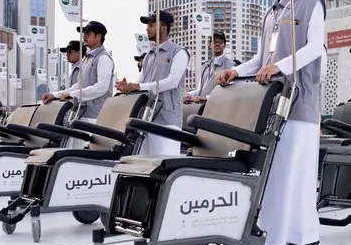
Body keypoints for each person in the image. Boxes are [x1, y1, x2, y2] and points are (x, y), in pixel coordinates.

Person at [218, 0, 323, 245]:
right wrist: (235, 71)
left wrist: (281, 66)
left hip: (300, 100)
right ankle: (276, 234)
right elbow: (263, 58)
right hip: (274, 105)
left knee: (299, 171)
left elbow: (316, 47)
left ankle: (306, 237)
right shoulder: (272, 12)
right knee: (278, 170)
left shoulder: (311, 4)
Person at [117, 10, 189, 156]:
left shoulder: (179, 52)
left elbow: (173, 81)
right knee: (143, 167)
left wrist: (140, 86)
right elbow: (141, 82)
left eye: (151, 24)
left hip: (168, 121)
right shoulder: (149, 55)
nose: (147, 28)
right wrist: (128, 87)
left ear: (163, 28)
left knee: (165, 168)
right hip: (146, 120)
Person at [43, 22, 114, 148]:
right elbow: (78, 85)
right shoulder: (87, 59)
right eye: (84, 33)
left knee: (87, 156)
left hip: (94, 116)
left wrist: (72, 94)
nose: (84, 36)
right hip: (81, 114)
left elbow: (101, 87)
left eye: (88, 33)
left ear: (99, 36)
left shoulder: (103, 58)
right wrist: (55, 95)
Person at [184, 30, 234, 104]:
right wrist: (189, 95)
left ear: (224, 45)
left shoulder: (230, 66)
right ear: (209, 44)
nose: (217, 44)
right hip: (203, 108)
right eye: (214, 41)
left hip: (221, 107)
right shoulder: (205, 66)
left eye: (220, 42)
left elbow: (231, 91)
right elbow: (200, 90)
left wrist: (206, 98)